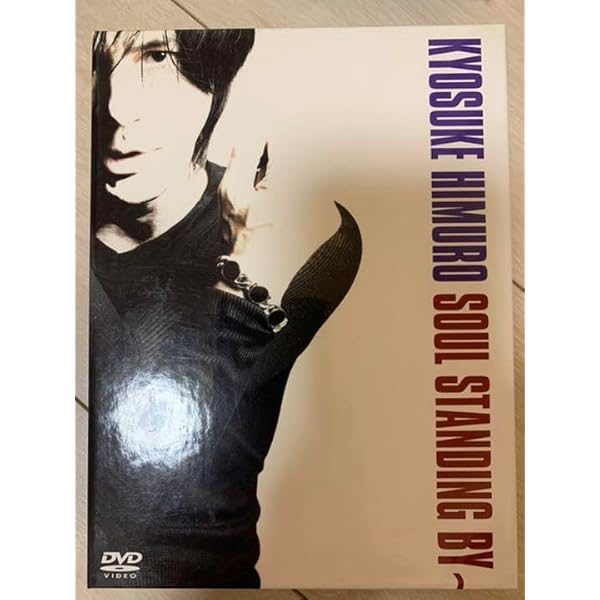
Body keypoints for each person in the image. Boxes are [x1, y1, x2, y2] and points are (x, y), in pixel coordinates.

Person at [88, 29, 362, 588]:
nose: (116, 105)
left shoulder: (292, 234)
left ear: (220, 75)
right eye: (98, 63)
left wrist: (243, 266)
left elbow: (168, 483)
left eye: (157, 56)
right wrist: (239, 281)